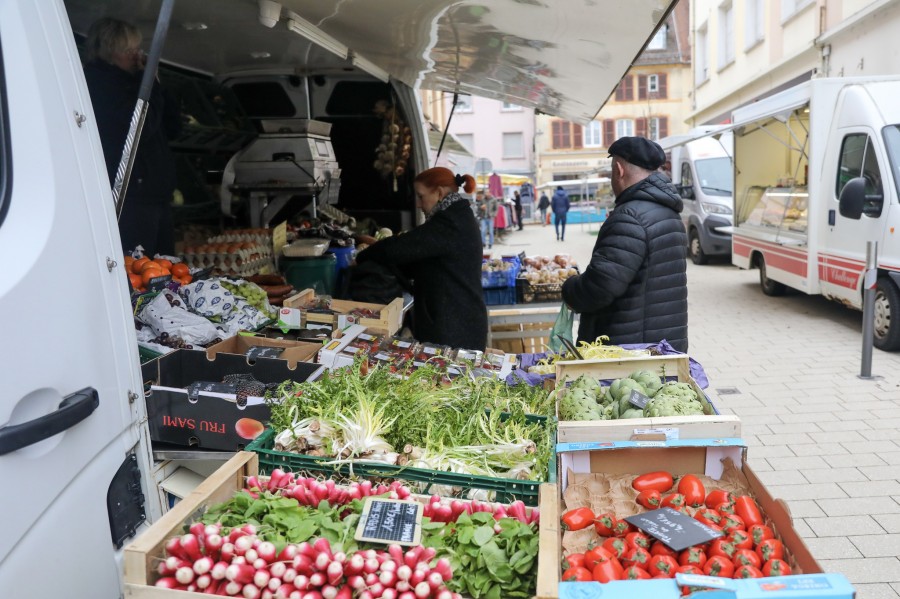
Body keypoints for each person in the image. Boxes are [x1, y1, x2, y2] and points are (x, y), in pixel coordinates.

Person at [561, 136, 688, 352]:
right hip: (663, 346)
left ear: (618, 170)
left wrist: (570, 287)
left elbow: (600, 287)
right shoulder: (668, 212)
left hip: (627, 353)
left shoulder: (629, 217)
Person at [356, 167, 488, 350]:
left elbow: (399, 248)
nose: (418, 204)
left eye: (421, 196)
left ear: (439, 192)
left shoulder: (449, 223)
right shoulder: (456, 216)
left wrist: (363, 255)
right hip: (458, 323)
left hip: (456, 330)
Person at [84, 17, 181, 257]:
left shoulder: (136, 82)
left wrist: (154, 83)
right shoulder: (100, 84)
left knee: (165, 267)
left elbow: (173, 127)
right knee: (141, 268)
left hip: (155, 194)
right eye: (129, 50)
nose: (136, 55)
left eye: (137, 48)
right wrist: (147, 84)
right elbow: (140, 128)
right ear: (109, 52)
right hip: (132, 197)